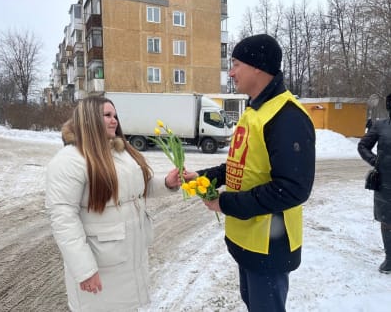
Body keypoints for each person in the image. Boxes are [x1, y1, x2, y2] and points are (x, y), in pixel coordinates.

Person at [185, 34, 316, 311]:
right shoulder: (253, 111)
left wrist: (226, 203)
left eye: (235, 64)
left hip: (270, 246)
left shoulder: (287, 116)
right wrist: (204, 177)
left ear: (258, 66)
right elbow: (239, 166)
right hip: (247, 242)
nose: (231, 72)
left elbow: (293, 188)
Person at [45, 96, 182, 311]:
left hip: (127, 259)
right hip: (100, 265)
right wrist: (84, 270)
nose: (114, 120)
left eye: (115, 115)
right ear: (89, 119)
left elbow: (137, 191)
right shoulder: (69, 160)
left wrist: (167, 183)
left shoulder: (120, 152)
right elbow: (63, 219)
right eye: (107, 115)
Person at [358, 93, 391, 274]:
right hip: (385, 183)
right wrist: (374, 161)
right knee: (386, 222)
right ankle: (390, 258)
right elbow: (362, 146)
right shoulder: (380, 126)